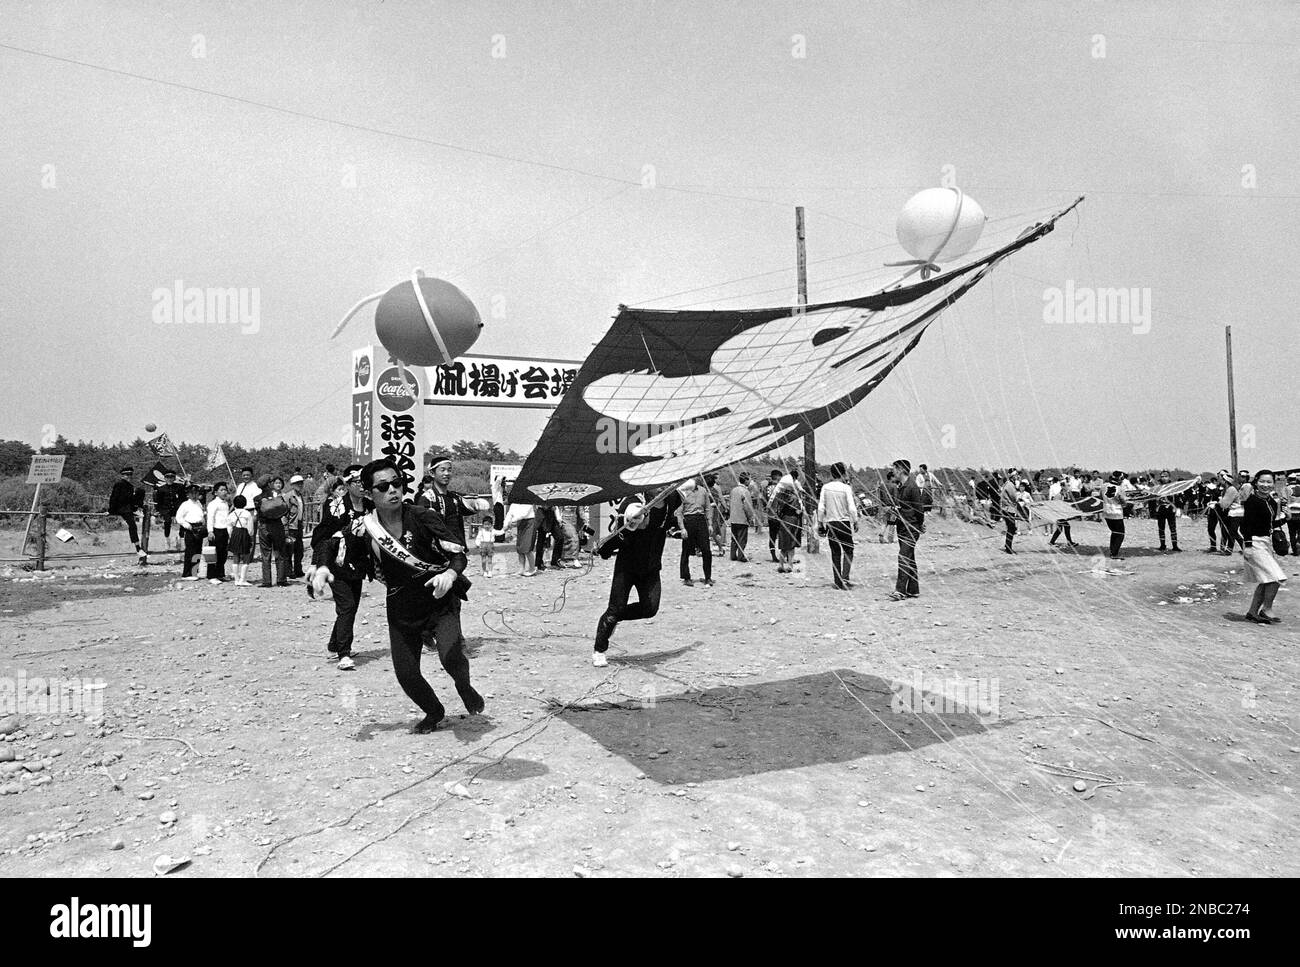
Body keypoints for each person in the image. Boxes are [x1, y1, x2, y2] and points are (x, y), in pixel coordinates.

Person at [361, 458, 481, 732]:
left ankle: (464, 686)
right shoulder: (365, 528)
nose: (392, 490)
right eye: (383, 487)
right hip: (402, 607)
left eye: (396, 483)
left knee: (451, 656)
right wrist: (322, 569)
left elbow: (457, 554)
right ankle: (434, 711)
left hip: (439, 600)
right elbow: (331, 546)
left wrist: (450, 575)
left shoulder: (422, 516)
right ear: (369, 493)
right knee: (406, 674)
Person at [593, 487, 683, 667]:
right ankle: (599, 649)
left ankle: (616, 617)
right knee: (614, 610)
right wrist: (606, 548)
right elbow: (619, 533)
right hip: (627, 567)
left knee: (650, 608)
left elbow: (689, 486)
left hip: (651, 567)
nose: (662, 487)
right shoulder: (633, 501)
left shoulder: (671, 497)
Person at [308, 467, 371, 670]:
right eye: (357, 482)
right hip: (337, 562)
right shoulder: (337, 506)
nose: (362, 486)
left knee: (351, 606)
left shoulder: (370, 505)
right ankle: (344, 653)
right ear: (347, 485)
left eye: (364, 482)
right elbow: (322, 536)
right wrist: (319, 564)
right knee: (347, 606)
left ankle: (335, 643)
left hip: (359, 563)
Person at [1241, 470, 1285, 624]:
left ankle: (1252, 612)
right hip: (1254, 542)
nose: (1265, 485)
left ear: (1274, 484)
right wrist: (1247, 545)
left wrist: (1285, 519)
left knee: (1266, 580)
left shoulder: (1272, 502)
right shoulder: (1252, 501)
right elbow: (1245, 525)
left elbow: (1270, 523)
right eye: (1262, 482)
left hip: (1266, 542)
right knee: (1276, 577)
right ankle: (1267, 609)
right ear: (1256, 482)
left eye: (1269, 482)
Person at [818, 462, 859, 590]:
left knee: (835, 552)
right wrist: (855, 520)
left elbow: (821, 507)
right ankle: (845, 577)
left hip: (831, 523)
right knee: (849, 550)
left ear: (832, 473)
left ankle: (837, 580)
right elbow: (851, 507)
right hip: (844, 522)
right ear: (843, 473)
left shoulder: (825, 487)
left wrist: (820, 523)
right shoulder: (846, 488)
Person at [888, 459, 925, 600]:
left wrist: (920, 525)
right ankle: (913, 590)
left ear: (901, 470)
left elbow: (919, 510)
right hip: (902, 527)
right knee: (909, 558)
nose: (893, 472)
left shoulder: (912, 487)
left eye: (895, 469)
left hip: (911, 528)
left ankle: (900, 591)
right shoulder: (900, 486)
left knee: (903, 556)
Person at [677, 477, 714, 586]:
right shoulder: (683, 491)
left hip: (701, 520)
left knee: (706, 550)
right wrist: (682, 528)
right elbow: (679, 512)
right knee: (686, 550)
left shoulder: (703, 491)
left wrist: (710, 524)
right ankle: (686, 577)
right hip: (688, 520)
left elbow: (708, 508)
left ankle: (708, 577)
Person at [109, 466, 147, 564]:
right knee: (132, 525)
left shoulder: (130, 486)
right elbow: (113, 497)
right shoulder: (119, 484)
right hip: (121, 508)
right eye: (127, 475)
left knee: (141, 490)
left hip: (129, 507)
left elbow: (130, 498)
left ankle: (138, 509)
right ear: (122, 475)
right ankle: (138, 548)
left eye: (130, 475)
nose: (129, 476)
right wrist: (111, 510)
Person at [256, 476, 290, 587]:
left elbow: (259, 512)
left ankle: (266, 581)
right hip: (277, 525)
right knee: (280, 553)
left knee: (266, 554)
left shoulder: (257, 498)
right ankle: (281, 580)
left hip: (264, 526)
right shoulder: (278, 496)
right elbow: (285, 510)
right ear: (269, 484)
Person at [769, 472, 803, 573]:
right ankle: (790, 565)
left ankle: (780, 564)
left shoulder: (780, 496)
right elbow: (798, 511)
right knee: (791, 545)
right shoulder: (795, 497)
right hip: (792, 520)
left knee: (783, 544)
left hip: (783, 520)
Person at [502, 483, 537, 576]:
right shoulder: (514, 503)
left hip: (529, 523)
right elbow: (509, 514)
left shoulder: (528, 500)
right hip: (520, 524)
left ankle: (532, 568)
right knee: (520, 547)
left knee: (527, 548)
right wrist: (505, 525)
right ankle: (521, 569)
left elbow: (524, 514)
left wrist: (512, 521)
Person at [174, 485, 207, 580]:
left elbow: (201, 514)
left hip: (199, 527)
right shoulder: (185, 504)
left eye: (196, 493)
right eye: (192, 493)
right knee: (190, 552)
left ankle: (194, 572)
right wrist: (186, 525)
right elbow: (178, 517)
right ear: (188, 494)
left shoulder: (199, 503)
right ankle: (187, 573)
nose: (194, 495)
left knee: (198, 551)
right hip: (190, 528)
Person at [154, 470, 187, 550]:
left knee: (182, 523)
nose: (170, 479)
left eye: (171, 477)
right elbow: (159, 501)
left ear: (174, 478)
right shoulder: (161, 489)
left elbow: (183, 499)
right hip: (166, 509)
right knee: (167, 522)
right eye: (167, 477)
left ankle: (181, 540)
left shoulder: (180, 487)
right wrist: (159, 511)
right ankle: (167, 540)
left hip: (178, 509)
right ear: (165, 478)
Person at [234, 467, 263, 560]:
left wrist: (255, 514)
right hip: (240, 512)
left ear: (251, 475)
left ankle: (248, 556)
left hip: (251, 511)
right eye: (244, 475)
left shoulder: (255, 486)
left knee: (250, 534)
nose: (246, 477)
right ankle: (240, 554)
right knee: (240, 533)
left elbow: (258, 501)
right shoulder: (240, 486)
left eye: (248, 475)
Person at [205, 481, 231, 583]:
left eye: (225, 490)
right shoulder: (213, 504)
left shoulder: (225, 503)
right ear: (216, 492)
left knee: (223, 554)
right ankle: (211, 575)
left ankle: (220, 574)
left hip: (225, 530)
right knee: (213, 554)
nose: (224, 492)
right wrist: (210, 531)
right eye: (222, 490)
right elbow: (210, 518)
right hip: (216, 530)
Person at [727, 473, 756, 562]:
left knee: (734, 538)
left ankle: (733, 555)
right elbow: (747, 507)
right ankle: (741, 556)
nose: (750, 481)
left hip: (733, 518)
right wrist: (750, 518)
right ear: (746, 480)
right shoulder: (745, 492)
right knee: (742, 539)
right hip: (742, 518)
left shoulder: (733, 490)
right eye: (749, 479)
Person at [227, 495, 255, 585]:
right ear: (245, 503)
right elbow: (250, 528)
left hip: (235, 533)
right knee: (246, 556)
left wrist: (231, 535)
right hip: (244, 533)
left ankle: (236, 579)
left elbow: (229, 526)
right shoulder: (247, 514)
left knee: (236, 556)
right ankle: (243, 579)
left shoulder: (231, 514)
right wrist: (250, 535)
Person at [1153, 470, 1182, 552]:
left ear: (1169, 477)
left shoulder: (1173, 486)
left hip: (1170, 509)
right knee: (1161, 528)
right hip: (1161, 509)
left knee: (1173, 528)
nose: (1164, 478)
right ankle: (1162, 545)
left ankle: (1175, 545)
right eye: (1162, 476)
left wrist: (1178, 508)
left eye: (1165, 476)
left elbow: (1177, 497)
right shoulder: (1157, 486)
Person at [1102, 470, 1128, 559]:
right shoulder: (1120, 489)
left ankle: (1112, 550)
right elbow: (1124, 502)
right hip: (1116, 514)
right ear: (1120, 479)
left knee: (1114, 532)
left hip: (1106, 513)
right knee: (1120, 534)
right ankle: (1114, 553)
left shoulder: (1103, 486)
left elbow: (1100, 496)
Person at [285, 475, 306, 578]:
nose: (300, 485)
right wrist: (286, 528)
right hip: (291, 526)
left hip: (299, 525)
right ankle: (289, 571)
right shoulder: (288, 496)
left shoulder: (300, 496)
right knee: (289, 550)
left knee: (299, 550)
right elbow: (285, 513)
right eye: (298, 483)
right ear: (292, 485)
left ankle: (298, 570)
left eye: (301, 483)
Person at [1217, 471, 1243, 555]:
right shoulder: (1227, 489)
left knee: (1233, 532)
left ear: (1225, 481)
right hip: (1233, 513)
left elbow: (1224, 504)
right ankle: (1229, 549)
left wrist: (1217, 503)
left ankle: (1244, 547)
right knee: (1232, 532)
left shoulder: (1231, 490)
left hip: (1237, 513)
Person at [1000, 470, 1021, 554]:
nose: (1018, 477)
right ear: (1013, 477)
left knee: (1011, 528)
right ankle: (1008, 547)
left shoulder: (1008, 484)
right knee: (1011, 528)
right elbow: (1015, 497)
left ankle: (1007, 545)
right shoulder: (1010, 485)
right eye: (1016, 475)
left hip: (1007, 508)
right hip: (1008, 509)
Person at [763, 469, 783, 561]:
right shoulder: (781, 489)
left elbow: (763, 500)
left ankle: (773, 556)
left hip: (770, 515)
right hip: (779, 515)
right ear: (778, 477)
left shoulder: (766, 488)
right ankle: (783, 555)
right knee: (782, 535)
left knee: (772, 536)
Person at [877, 469, 898, 543]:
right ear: (892, 477)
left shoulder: (882, 486)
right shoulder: (894, 486)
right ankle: (890, 539)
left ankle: (881, 534)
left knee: (884, 523)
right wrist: (897, 505)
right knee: (893, 523)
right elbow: (895, 497)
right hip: (892, 507)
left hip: (884, 506)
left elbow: (880, 497)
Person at [1287, 472, 1300, 556]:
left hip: (1290, 514)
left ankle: (1295, 550)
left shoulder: (1286, 488)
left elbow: (1283, 501)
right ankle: (1299, 542)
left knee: (1292, 533)